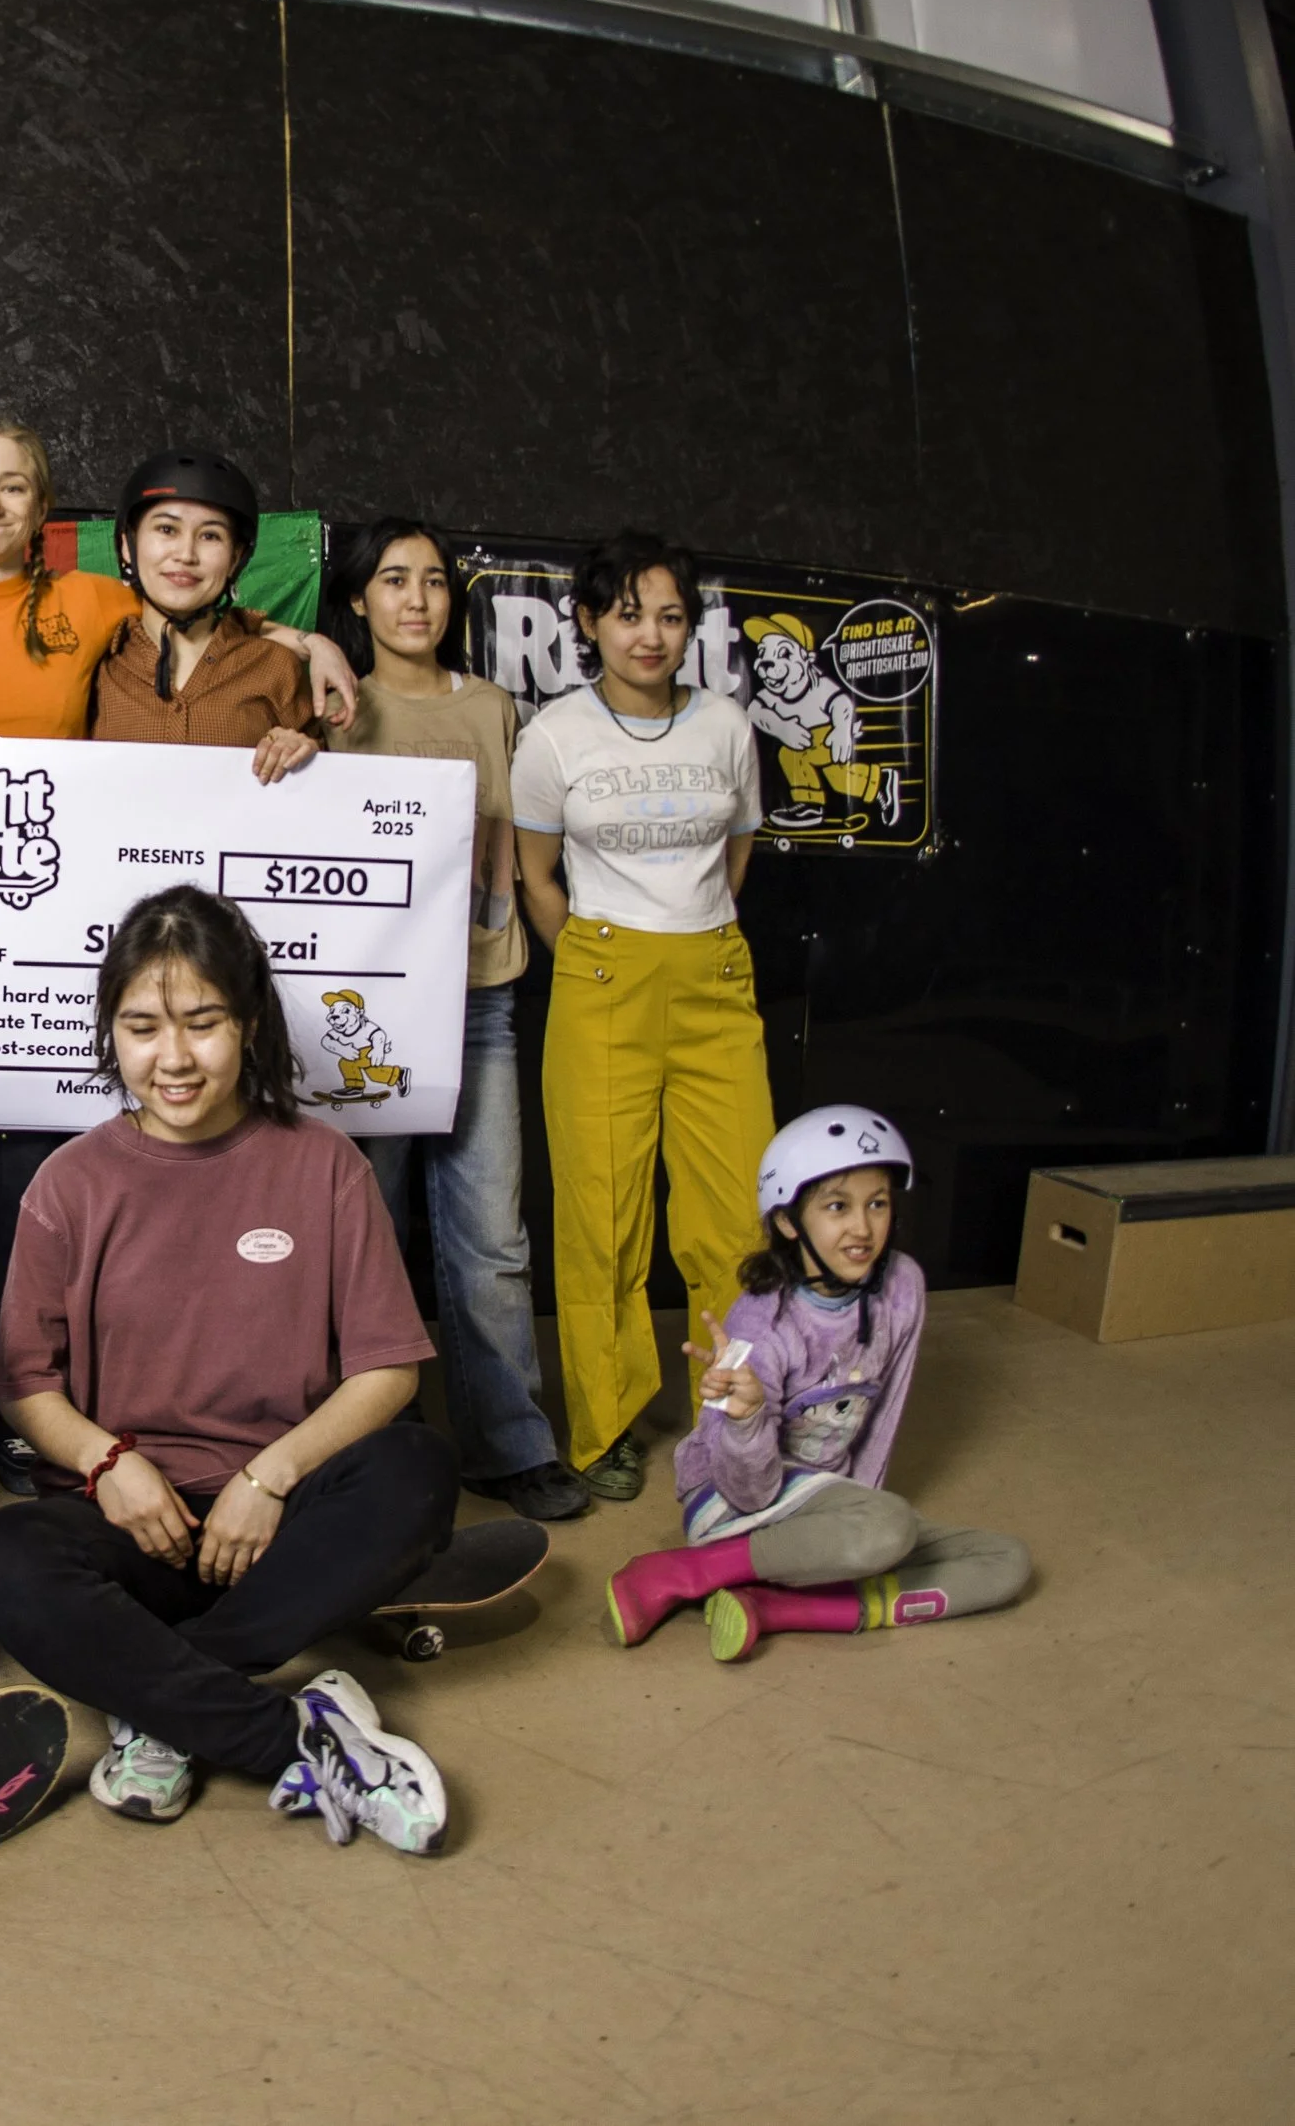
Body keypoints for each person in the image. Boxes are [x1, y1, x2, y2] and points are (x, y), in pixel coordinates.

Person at [0, 417, 356, 1492]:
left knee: (43, 1198)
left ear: (47, 511)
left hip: (68, 962)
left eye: (15, 488)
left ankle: (35, 1412)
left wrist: (315, 653)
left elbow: (216, 617)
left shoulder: (92, 609)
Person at [0, 885, 459, 1855]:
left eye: (202, 1022)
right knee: (0, 1559)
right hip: (126, 1525)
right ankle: (288, 1739)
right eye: (142, 1027)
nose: (173, 1057)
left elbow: (387, 1371)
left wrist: (267, 1479)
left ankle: (160, 1700)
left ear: (250, 1024)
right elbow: (25, 1382)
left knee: (415, 1470)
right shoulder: (70, 1183)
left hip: (277, 1523)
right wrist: (110, 1466)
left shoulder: (322, 1166)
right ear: (111, 1033)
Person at [320, 519, 586, 1524]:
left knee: (492, 1236)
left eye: (433, 581)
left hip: (481, 1001)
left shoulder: (493, 705)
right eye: (393, 580)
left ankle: (508, 1443)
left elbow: (523, 850)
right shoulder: (329, 701)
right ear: (357, 599)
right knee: (371, 1234)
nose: (417, 599)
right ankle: (372, 1437)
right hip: (367, 1014)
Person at [512, 530, 775, 1505]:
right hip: (603, 975)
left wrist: (692, 929)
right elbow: (536, 874)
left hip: (713, 975)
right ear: (588, 621)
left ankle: (735, 1402)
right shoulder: (552, 738)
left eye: (669, 615)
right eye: (628, 613)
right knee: (602, 1216)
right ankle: (606, 1424)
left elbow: (736, 849)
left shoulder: (727, 728)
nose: (650, 635)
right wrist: (590, 952)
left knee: (733, 1212)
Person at [604, 1106, 1030, 1661]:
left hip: (830, 1510)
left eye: (877, 1203)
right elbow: (747, 1492)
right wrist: (748, 1417)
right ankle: (689, 1569)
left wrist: (862, 1521)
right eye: (837, 1206)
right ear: (787, 1222)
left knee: (1005, 1562)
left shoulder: (902, 1284)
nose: (863, 1227)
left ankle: (772, 1608)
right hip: (734, 1503)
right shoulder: (762, 1322)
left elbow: (885, 1413)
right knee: (888, 1527)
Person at [88, 448, 320, 781]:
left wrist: (302, 753)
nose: (185, 554)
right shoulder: (94, 661)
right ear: (128, 545)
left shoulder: (276, 666)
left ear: (235, 558)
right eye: (167, 529)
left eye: (210, 536)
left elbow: (326, 792)